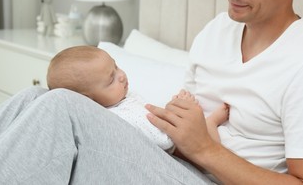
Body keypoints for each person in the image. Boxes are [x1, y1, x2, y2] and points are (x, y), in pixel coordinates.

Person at [0, 0, 303, 184]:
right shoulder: (216, 31)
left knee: (62, 107)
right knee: (34, 97)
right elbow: (185, 128)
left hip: (209, 178)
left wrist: (206, 151)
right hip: (173, 162)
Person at [47, 45, 229, 150]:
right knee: (205, 140)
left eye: (116, 66)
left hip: (172, 143)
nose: (122, 75)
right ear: (89, 101)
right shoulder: (119, 119)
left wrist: (171, 108)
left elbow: (150, 118)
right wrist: (178, 111)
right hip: (179, 156)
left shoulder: (121, 98)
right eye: (111, 79)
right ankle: (211, 123)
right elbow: (163, 140)